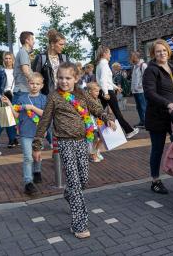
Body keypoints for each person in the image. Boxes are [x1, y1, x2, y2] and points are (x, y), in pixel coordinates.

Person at [32, 62, 115, 239]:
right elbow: (44, 121)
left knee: (83, 179)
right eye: (60, 78)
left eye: (68, 78)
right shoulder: (54, 97)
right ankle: (79, 224)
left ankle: (68, 193)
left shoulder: (82, 94)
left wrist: (107, 118)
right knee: (75, 183)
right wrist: (37, 145)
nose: (64, 81)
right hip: (64, 143)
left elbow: (96, 108)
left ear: (76, 79)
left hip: (82, 141)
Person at [143, 39, 173, 194]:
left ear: (168, 51)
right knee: (157, 149)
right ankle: (155, 180)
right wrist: (167, 104)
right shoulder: (151, 70)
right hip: (158, 115)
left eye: (164, 50)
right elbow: (150, 93)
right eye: (158, 51)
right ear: (153, 54)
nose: (162, 53)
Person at [1, 73, 46, 194]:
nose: (34, 86)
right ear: (28, 84)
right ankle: (28, 182)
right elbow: (16, 115)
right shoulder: (22, 98)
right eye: (32, 83)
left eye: (37, 84)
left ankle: (37, 171)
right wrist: (9, 104)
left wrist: (31, 107)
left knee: (37, 156)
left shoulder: (43, 99)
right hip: (25, 132)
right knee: (27, 157)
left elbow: (45, 114)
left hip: (39, 133)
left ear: (42, 85)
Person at [95, 45, 139, 139]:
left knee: (99, 112)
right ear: (104, 54)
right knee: (117, 112)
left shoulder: (100, 64)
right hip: (107, 92)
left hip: (104, 90)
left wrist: (115, 87)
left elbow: (106, 80)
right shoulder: (104, 63)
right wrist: (106, 92)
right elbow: (103, 80)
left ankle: (96, 131)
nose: (110, 55)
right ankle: (129, 131)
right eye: (109, 53)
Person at [32, 29, 69, 96]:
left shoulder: (64, 58)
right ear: (52, 44)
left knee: (78, 106)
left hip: (65, 95)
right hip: (47, 96)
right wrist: (39, 98)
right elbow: (35, 79)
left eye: (64, 44)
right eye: (61, 44)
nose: (63, 47)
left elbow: (70, 77)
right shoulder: (41, 58)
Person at [87, 82, 106, 162]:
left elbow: (100, 110)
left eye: (98, 91)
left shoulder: (98, 100)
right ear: (89, 91)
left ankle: (96, 152)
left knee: (101, 138)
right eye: (96, 91)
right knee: (92, 140)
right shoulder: (87, 100)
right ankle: (92, 155)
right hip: (90, 123)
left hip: (98, 122)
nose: (97, 93)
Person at [130, 51, 147, 128]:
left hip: (141, 91)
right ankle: (142, 121)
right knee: (139, 107)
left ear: (136, 57)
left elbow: (146, 78)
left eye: (132, 57)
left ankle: (147, 122)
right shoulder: (135, 66)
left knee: (144, 106)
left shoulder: (143, 65)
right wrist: (133, 88)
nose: (131, 59)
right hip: (135, 91)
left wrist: (141, 86)